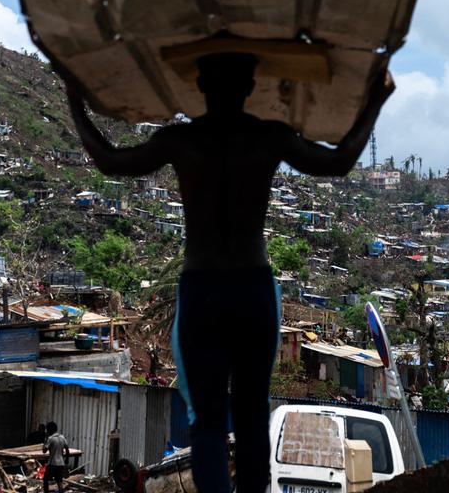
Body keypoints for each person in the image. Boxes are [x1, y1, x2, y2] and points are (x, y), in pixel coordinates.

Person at [64, 53, 394, 493]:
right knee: (253, 414)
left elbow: (109, 160)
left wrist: (74, 102)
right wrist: (375, 99)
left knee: (208, 421)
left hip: (203, 290)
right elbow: (338, 161)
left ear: (200, 86)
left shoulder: (181, 140)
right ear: (248, 87)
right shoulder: (268, 136)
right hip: (252, 289)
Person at [42, 421, 70, 493]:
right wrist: (66, 460)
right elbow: (67, 449)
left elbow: (44, 451)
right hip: (61, 463)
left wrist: (45, 439)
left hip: (52, 463)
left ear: (49, 430)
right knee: (59, 481)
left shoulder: (50, 438)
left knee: (45, 479)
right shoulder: (62, 437)